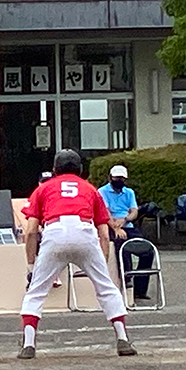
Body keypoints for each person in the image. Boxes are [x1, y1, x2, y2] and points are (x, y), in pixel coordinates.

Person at [18, 149, 137, 359]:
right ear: (81, 170)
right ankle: (122, 338)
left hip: (55, 231)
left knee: (36, 291)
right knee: (106, 288)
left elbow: (31, 231)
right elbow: (103, 233)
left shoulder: (44, 188)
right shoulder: (90, 189)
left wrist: (30, 266)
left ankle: (29, 344)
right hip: (84, 231)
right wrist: (101, 263)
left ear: (55, 170)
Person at [99, 164, 153, 302]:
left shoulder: (129, 192)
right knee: (121, 244)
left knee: (148, 251)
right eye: (116, 178)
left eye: (122, 178)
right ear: (110, 177)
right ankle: (127, 279)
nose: (119, 180)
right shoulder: (102, 191)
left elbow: (134, 211)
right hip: (110, 225)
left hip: (127, 225)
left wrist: (125, 220)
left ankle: (140, 289)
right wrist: (116, 228)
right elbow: (105, 212)